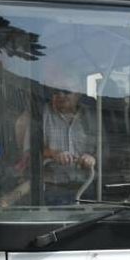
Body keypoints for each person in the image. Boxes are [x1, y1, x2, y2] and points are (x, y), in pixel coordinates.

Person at [41, 70, 96, 204]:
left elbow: (104, 152)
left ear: (78, 93)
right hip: (52, 189)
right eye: (56, 91)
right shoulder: (41, 115)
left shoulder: (91, 116)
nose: (60, 95)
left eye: (66, 91)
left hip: (88, 187)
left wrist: (92, 158)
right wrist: (54, 154)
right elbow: (30, 152)